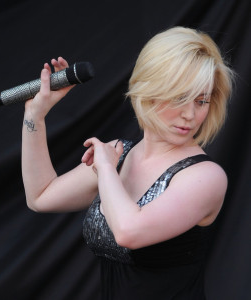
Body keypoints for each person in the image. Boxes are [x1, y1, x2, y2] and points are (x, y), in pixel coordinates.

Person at [22, 26, 234, 299]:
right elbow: (40, 196)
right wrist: (35, 115)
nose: (190, 115)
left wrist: (106, 169)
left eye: (201, 100)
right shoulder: (118, 155)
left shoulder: (205, 177)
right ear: (149, 89)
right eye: (179, 97)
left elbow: (128, 232)